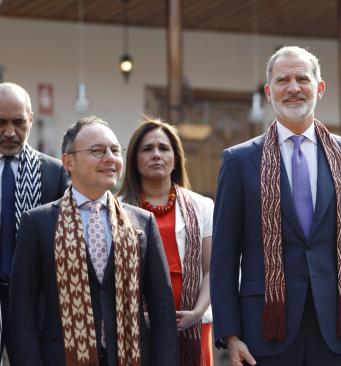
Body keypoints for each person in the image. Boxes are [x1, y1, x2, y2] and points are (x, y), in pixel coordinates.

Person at [211, 46, 341, 366]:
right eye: (283, 80)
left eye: (302, 79)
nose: (293, 88)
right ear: (269, 92)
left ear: (320, 88)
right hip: (264, 330)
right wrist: (230, 335)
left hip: (340, 328)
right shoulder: (238, 161)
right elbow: (224, 256)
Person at [9, 116, 178, 365]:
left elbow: (162, 311)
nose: (110, 158)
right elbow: (22, 311)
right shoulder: (37, 223)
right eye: (97, 151)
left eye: (114, 150)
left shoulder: (142, 223)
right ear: (68, 161)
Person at [120, 118, 214, 366]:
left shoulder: (202, 206)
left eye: (163, 148)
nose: (156, 155)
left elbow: (211, 270)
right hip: (135, 329)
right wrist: (139, 317)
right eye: (147, 149)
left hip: (193, 326)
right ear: (134, 160)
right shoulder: (116, 208)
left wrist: (197, 313)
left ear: (175, 158)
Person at [0, 82, 68, 361]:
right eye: (0, 122)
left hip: (31, 299)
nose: (9, 132)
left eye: (18, 122)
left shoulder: (53, 173)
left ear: (30, 119)